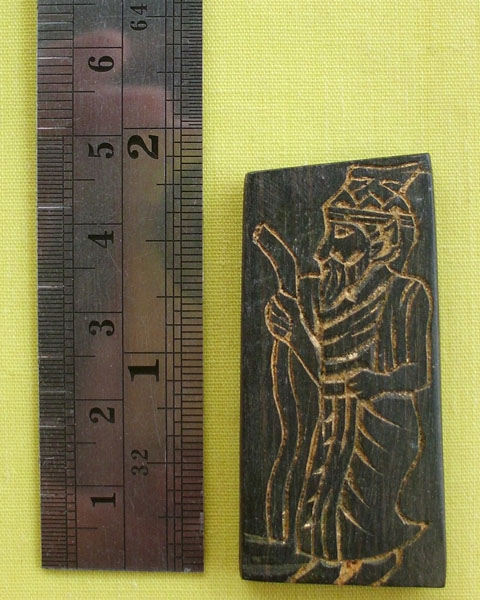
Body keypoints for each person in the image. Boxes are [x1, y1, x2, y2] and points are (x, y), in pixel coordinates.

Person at [254, 162, 433, 585]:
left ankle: (371, 561)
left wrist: (379, 382)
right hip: (337, 415)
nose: (323, 251)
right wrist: (294, 336)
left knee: (353, 503)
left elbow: (419, 373)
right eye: (328, 233)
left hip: (382, 423)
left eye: (340, 234)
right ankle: (330, 560)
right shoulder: (332, 298)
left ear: (379, 240)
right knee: (321, 498)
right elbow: (328, 376)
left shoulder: (407, 294)